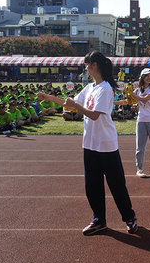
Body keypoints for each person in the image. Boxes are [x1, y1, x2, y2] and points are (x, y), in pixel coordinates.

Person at [38, 51, 138, 236]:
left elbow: (93, 115)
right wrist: (48, 98)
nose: (84, 67)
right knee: (92, 185)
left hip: (106, 144)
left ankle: (129, 217)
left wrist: (75, 106)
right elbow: (71, 104)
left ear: (94, 66)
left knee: (116, 184)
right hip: (90, 143)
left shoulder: (106, 89)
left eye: (86, 64)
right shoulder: (91, 87)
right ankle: (99, 219)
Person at [130, 68, 150, 178]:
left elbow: (144, 99)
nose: (149, 78)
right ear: (142, 77)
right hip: (142, 121)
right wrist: (112, 101)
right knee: (140, 147)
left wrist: (132, 95)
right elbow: (129, 101)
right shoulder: (137, 90)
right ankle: (139, 168)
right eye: (146, 76)